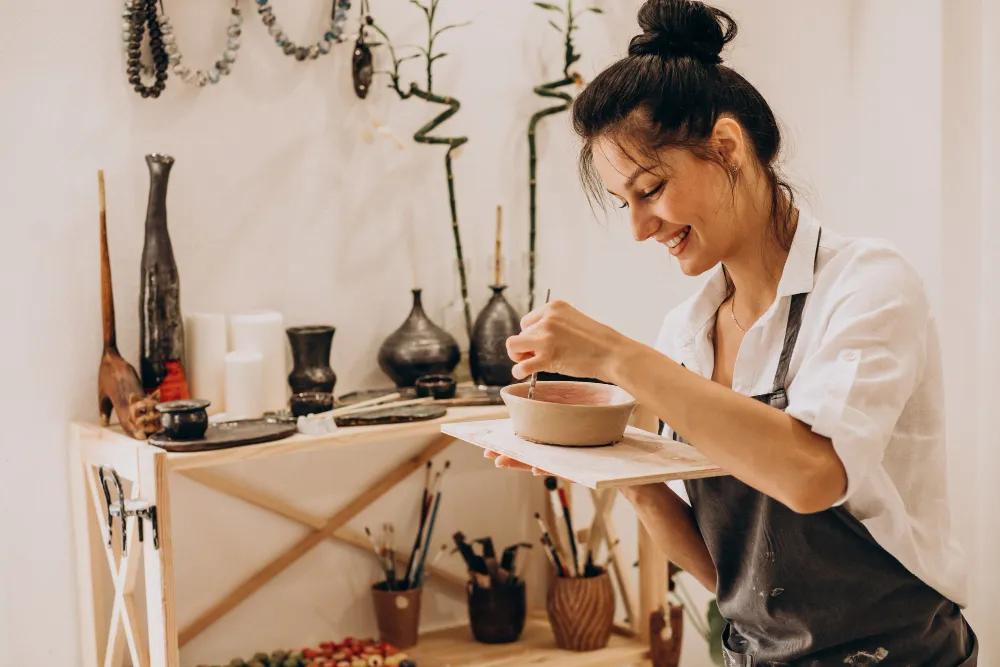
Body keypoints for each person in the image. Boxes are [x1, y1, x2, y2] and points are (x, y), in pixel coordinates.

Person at [485, 1, 977, 664]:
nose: (638, 227)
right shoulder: (686, 332)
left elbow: (812, 475)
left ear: (726, 147)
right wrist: (609, 462)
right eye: (623, 203)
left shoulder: (868, 285)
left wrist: (615, 356)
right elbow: (730, 575)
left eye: (651, 188)